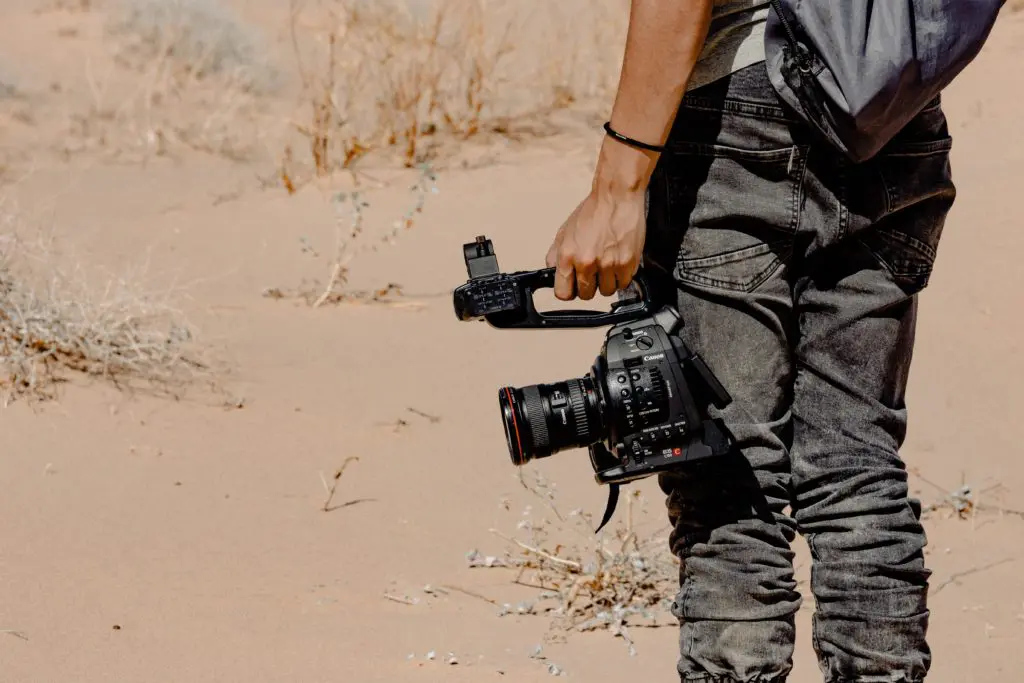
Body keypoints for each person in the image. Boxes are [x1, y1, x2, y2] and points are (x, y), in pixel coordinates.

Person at [545, 1, 955, 681]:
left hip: (738, 118)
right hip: (890, 111)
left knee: (732, 481)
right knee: (856, 465)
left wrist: (618, 187)